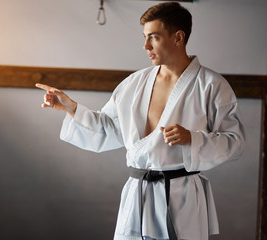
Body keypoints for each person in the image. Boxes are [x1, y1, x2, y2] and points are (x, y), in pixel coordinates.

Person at [36, 2, 245, 240]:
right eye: (145, 37)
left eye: (153, 37)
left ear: (178, 37)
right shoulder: (134, 84)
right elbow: (110, 129)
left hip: (181, 196)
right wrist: (72, 109)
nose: (145, 46)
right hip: (137, 193)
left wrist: (193, 139)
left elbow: (235, 141)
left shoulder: (211, 85)